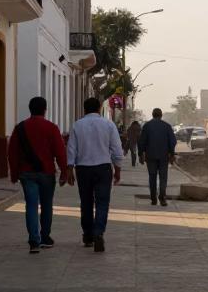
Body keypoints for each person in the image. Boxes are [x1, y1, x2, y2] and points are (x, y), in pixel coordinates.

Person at [8, 96, 68, 253]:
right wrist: (64, 172)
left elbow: (12, 153)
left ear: (30, 109)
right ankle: (45, 237)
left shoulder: (20, 128)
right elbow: (60, 152)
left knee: (31, 205)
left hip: (27, 174)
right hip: (47, 173)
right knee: (47, 205)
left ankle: (34, 241)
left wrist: (14, 174)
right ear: (44, 110)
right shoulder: (52, 128)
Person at [67, 97, 123, 252]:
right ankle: (99, 232)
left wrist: (69, 169)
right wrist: (117, 171)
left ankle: (88, 235)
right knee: (102, 202)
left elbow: (72, 149)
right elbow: (116, 150)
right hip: (103, 168)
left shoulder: (77, 125)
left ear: (84, 109)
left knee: (86, 202)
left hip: (83, 169)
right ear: (99, 109)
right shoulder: (108, 124)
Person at [138, 107, 177, 206]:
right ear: (161, 115)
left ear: (152, 115)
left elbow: (142, 141)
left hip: (150, 155)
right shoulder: (167, 126)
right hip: (164, 156)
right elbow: (172, 141)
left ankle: (153, 198)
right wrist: (171, 153)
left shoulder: (147, 126)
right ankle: (162, 198)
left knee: (152, 176)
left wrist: (140, 154)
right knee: (163, 177)